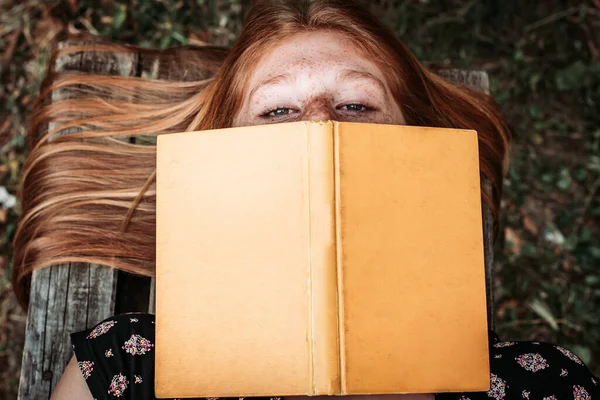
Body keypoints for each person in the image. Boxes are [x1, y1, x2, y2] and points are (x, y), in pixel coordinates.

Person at [11, 0, 597, 399]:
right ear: (222, 156)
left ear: (422, 145)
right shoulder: (126, 366)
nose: (318, 126)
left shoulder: (544, 385)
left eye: (357, 105)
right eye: (278, 111)